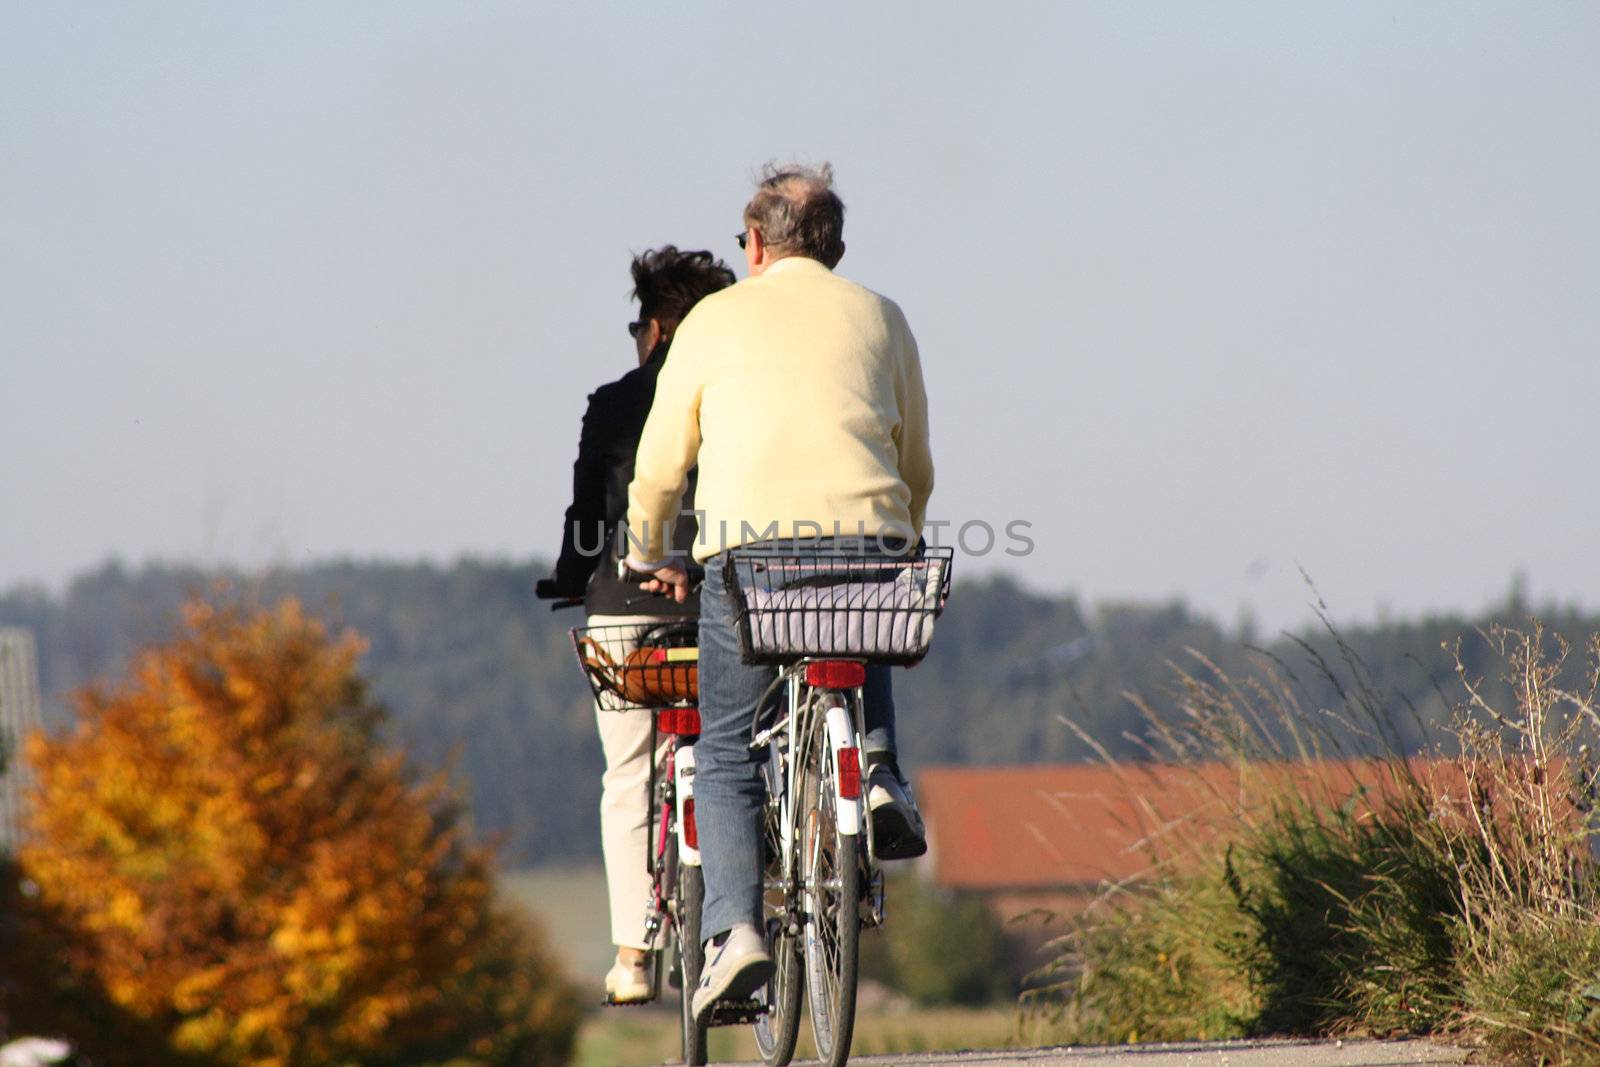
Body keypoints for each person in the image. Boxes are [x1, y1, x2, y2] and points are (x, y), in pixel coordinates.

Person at [622, 164, 933, 1024]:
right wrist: (901, 530)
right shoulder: (882, 315)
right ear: (835, 245)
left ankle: (735, 932)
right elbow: (917, 466)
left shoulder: (716, 319)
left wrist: (647, 546)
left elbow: (658, 467)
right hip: (867, 541)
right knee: (861, 614)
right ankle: (873, 768)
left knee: (725, 748)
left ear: (756, 243)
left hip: (749, 558)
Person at [536, 245, 736, 1003]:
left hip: (624, 605)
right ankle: (743, 913)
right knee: (739, 762)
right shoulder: (730, 400)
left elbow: (587, 512)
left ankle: (633, 959)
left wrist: (569, 573)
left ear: (653, 330)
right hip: (717, 602)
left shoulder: (615, 403)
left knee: (628, 777)